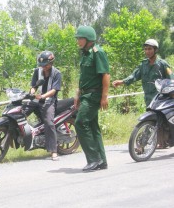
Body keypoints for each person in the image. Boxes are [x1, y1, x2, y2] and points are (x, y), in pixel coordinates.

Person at [74, 26, 110, 172]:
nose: (78, 41)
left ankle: (93, 159)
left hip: (94, 95)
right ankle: (102, 161)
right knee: (93, 127)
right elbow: (83, 78)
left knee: (80, 123)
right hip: (85, 94)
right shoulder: (85, 54)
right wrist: (77, 96)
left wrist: (104, 97)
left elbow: (105, 75)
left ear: (88, 39)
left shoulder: (98, 52)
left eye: (80, 38)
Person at [112, 39, 174, 106]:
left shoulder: (163, 64)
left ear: (155, 50)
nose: (147, 51)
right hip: (148, 98)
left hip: (160, 99)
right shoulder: (143, 64)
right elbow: (134, 76)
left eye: (150, 49)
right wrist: (122, 81)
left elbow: (171, 80)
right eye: (145, 49)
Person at [30, 51, 61, 161]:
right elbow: (33, 86)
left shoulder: (57, 73)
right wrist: (32, 92)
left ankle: (54, 151)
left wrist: (42, 97)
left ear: (51, 63)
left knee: (48, 122)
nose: (43, 67)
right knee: (22, 109)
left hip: (49, 101)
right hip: (37, 99)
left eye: (45, 65)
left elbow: (54, 90)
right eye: (41, 65)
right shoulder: (37, 71)